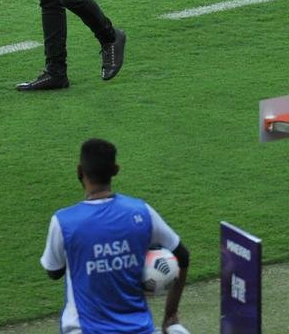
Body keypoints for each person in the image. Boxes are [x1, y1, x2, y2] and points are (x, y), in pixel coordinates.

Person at [39, 138, 190, 334]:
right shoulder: (142, 212)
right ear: (116, 170)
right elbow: (183, 256)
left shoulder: (63, 222)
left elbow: (54, 272)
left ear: (79, 171)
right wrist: (170, 315)